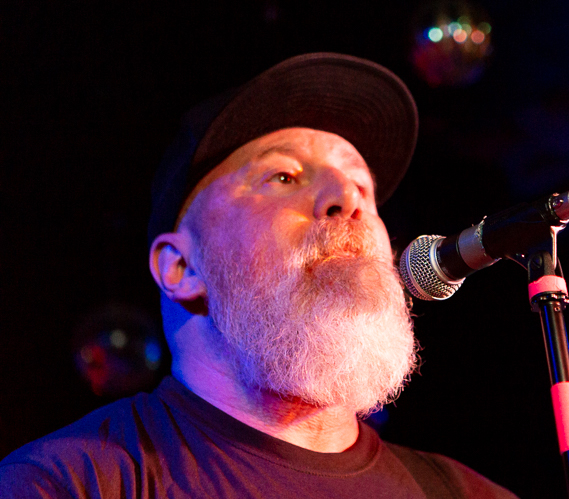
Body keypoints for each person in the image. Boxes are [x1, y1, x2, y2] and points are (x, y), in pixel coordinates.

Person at [0, 53, 517, 498]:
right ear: (181, 267)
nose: (348, 198)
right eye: (284, 176)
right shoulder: (69, 482)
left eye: (363, 186)